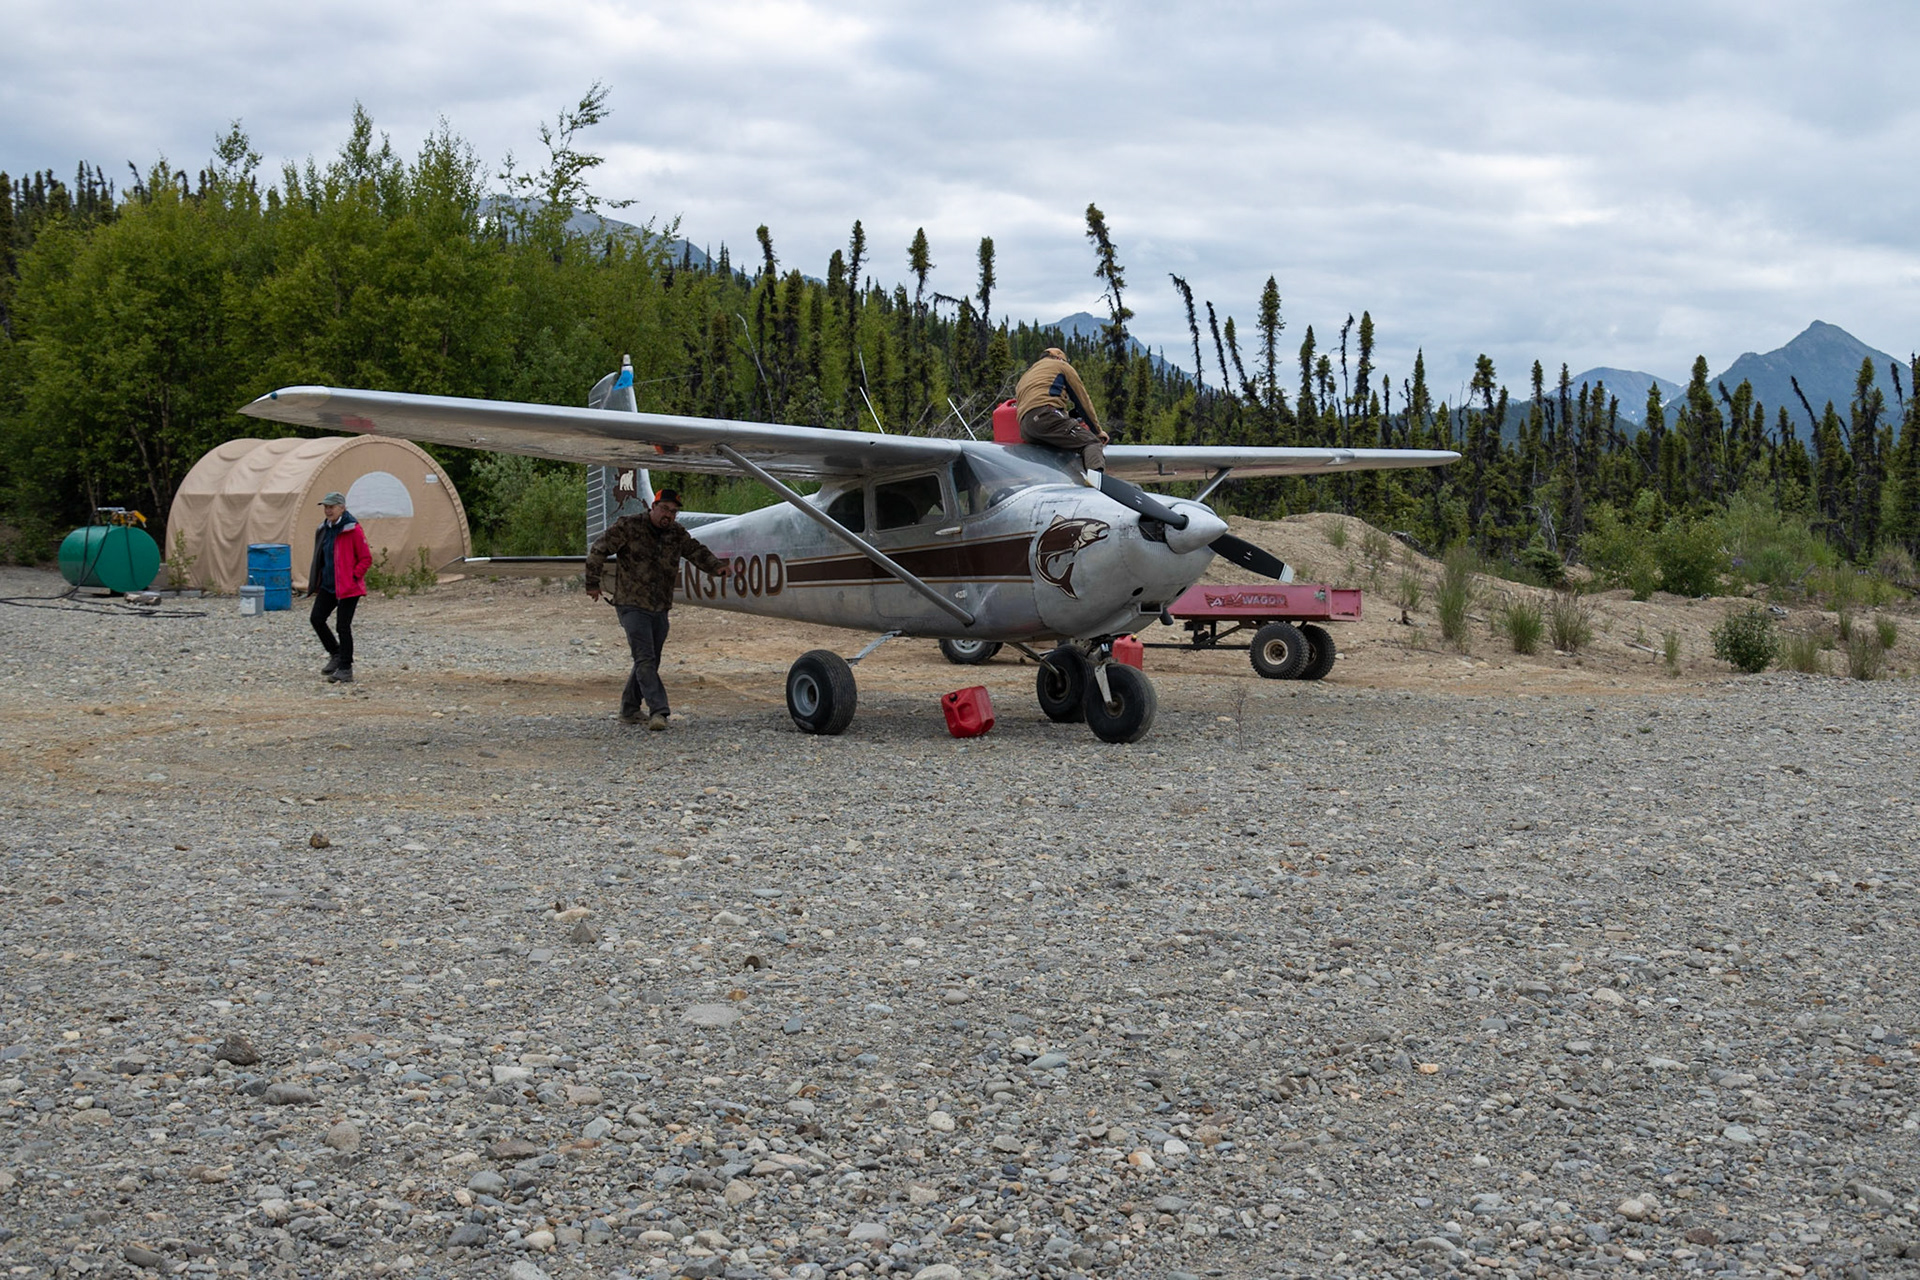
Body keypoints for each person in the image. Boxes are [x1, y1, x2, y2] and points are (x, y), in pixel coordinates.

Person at [585, 488, 730, 730]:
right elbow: (599, 548)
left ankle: (629, 709)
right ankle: (659, 712)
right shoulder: (629, 526)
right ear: (653, 506)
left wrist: (717, 568)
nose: (668, 515)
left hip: (660, 606)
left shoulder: (676, 534)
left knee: (650, 659)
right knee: (645, 657)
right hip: (631, 604)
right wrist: (592, 583)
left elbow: (695, 551)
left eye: (673, 512)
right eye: (664, 509)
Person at [1014, 346, 1109, 484]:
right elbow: (1082, 401)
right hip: (1046, 415)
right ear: (1059, 356)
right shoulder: (1061, 366)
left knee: (1059, 453)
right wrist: (1097, 431)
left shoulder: (1027, 375)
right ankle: (1098, 483)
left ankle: (1063, 484)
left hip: (1026, 427)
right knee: (1091, 443)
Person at [307, 491, 371, 684]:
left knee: (343, 626)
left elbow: (366, 558)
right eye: (326, 507)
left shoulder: (353, 529)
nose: (328, 510)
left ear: (342, 508)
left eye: (331, 507)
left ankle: (345, 668)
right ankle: (335, 653)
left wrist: (353, 576)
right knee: (317, 619)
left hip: (348, 587)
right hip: (329, 584)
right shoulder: (324, 529)